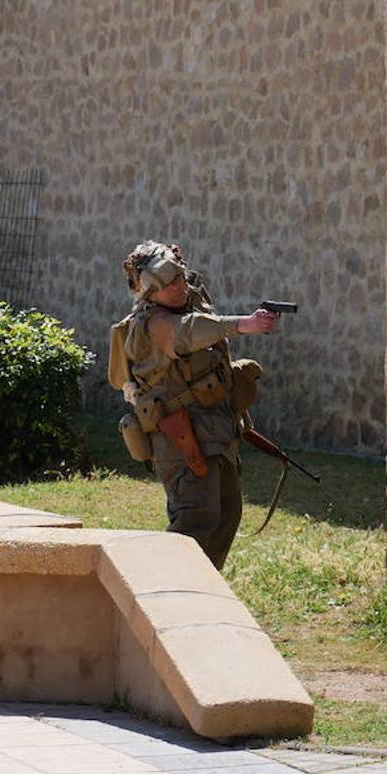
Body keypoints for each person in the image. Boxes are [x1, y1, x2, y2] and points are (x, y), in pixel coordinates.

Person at [107, 241, 278, 569]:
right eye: (168, 285)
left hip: (214, 431)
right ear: (149, 292)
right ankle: (158, 591)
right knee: (196, 519)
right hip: (179, 435)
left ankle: (201, 593)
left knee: (227, 514)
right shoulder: (153, 323)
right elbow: (188, 333)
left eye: (180, 279)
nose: (179, 288)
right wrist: (245, 323)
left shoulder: (189, 302)